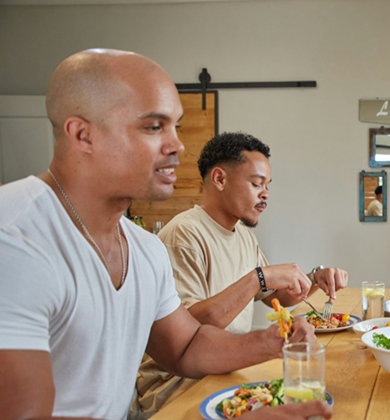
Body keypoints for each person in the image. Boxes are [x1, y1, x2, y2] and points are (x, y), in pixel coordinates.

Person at [0, 49, 331, 420]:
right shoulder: (13, 237)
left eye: (176, 126)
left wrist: (271, 341)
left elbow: (186, 346)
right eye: (154, 127)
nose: (178, 146)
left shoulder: (144, 250)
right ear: (83, 134)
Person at [135, 132, 348, 415]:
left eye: (268, 186)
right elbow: (185, 334)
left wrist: (313, 279)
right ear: (220, 179)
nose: (265, 194)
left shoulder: (243, 236)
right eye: (257, 183)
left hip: (226, 366)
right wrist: (258, 277)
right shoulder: (183, 234)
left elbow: (277, 297)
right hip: (176, 384)